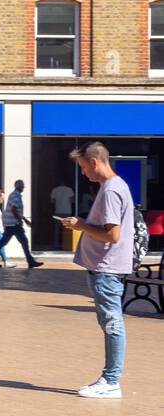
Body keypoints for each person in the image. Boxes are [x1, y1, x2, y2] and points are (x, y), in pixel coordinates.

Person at [60, 142, 133, 399]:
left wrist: (81, 225)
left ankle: (111, 380)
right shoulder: (114, 187)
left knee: (112, 323)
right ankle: (110, 379)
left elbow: (112, 235)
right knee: (110, 322)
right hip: (105, 268)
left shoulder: (111, 190)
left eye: (82, 167)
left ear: (94, 162)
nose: (83, 173)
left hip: (107, 268)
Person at [0, 179, 43, 270]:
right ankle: (30, 262)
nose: (23, 187)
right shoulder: (16, 195)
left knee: (3, 242)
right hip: (14, 224)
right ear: (19, 186)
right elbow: (14, 209)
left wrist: (25, 219)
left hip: (11, 224)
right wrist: (20, 220)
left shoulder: (12, 195)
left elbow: (16, 209)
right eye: (22, 185)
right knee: (24, 242)